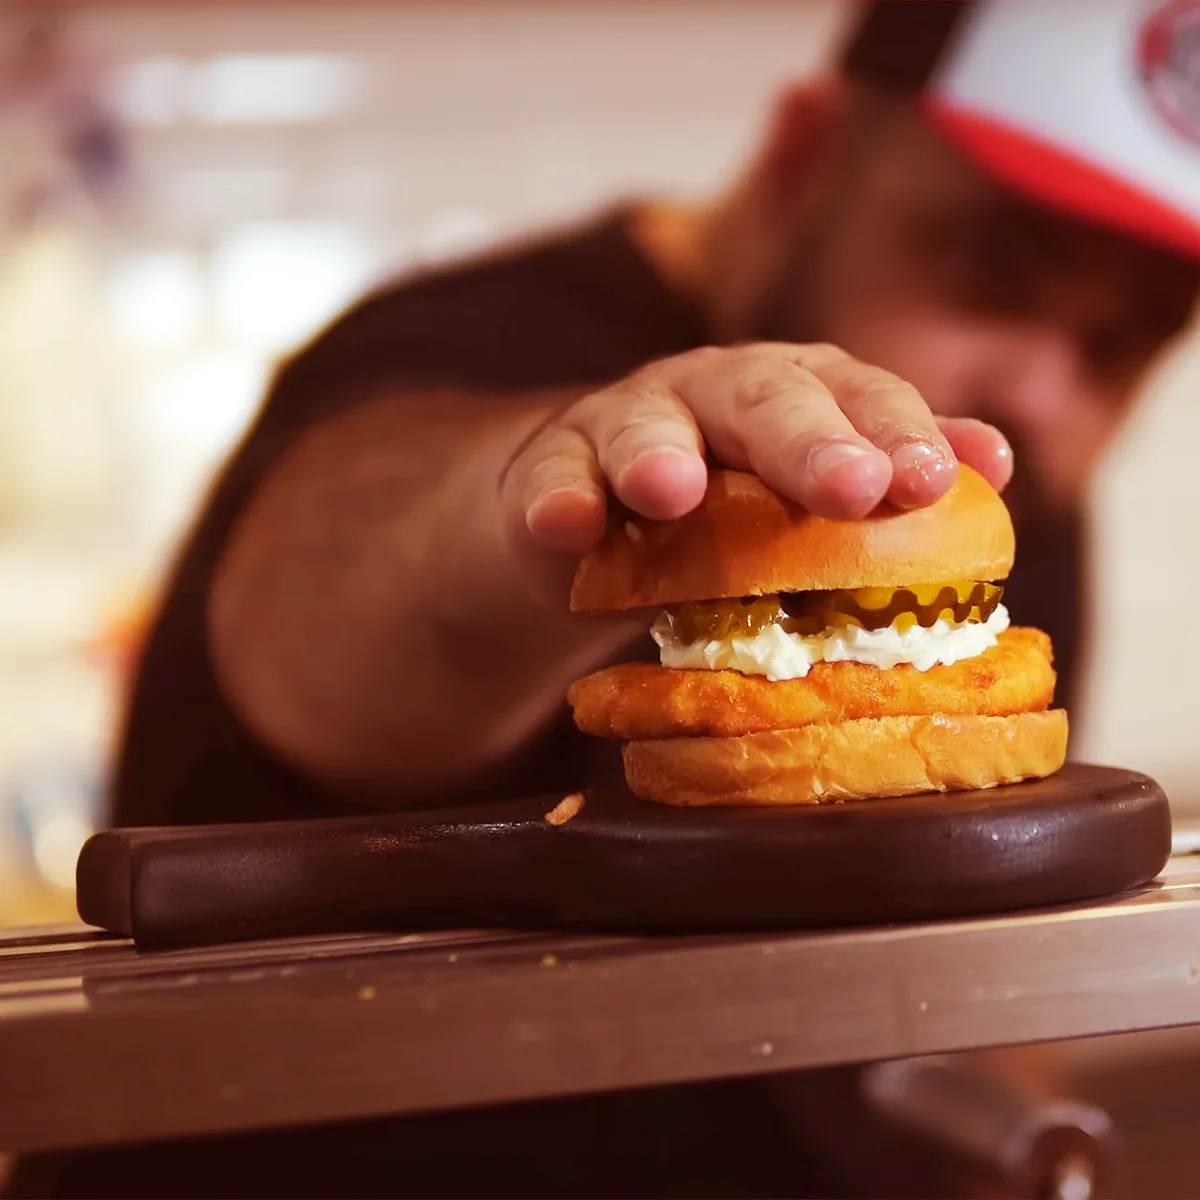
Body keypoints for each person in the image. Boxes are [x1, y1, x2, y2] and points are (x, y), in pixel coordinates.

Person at [29, 1, 1195, 1197]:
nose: (1043, 393)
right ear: (805, 156)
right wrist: (536, 496)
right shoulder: (448, 345)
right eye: (992, 269)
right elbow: (333, 595)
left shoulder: (1000, 487)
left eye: (1126, 340)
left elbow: (981, 963)